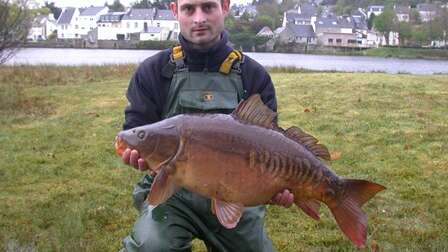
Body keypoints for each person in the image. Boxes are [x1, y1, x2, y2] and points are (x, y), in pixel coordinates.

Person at [120, 0, 294, 250]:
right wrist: (137, 155)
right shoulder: (153, 71)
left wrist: (273, 187)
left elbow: (271, 144)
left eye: (208, 7)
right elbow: (136, 130)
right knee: (152, 246)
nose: (199, 18)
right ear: (174, 11)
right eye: (189, 9)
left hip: (237, 194)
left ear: (225, 7)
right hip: (172, 196)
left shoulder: (253, 75)